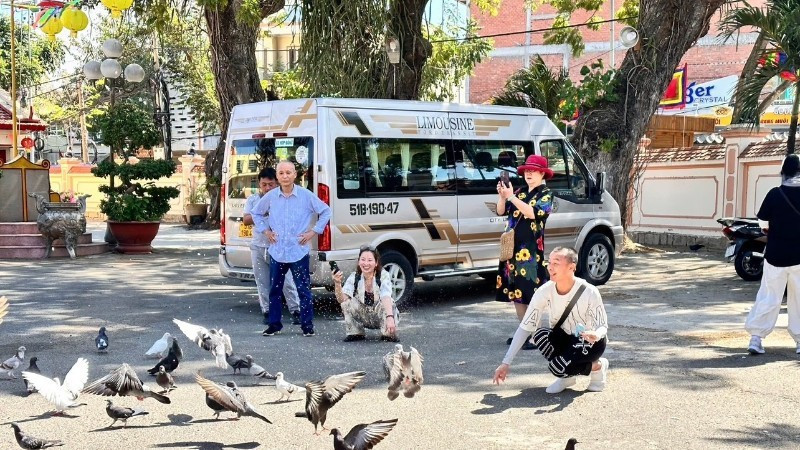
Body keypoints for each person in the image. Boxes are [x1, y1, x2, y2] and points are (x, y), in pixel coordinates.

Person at [493, 247, 609, 394]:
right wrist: (506, 362)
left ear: (571, 267)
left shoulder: (590, 291)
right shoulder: (544, 291)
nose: (550, 267)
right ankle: (567, 375)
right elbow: (525, 326)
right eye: (549, 262)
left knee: (557, 367)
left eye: (556, 263)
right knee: (539, 334)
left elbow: (602, 325)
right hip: (564, 338)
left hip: (589, 342)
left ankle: (597, 366)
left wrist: (597, 334)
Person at [252, 161, 332, 337]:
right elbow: (255, 213)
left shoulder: (305, 195)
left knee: (303, 289)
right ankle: (274, 325)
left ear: (295, 174)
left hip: (298, 250)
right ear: (278, 176)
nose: (285, 176)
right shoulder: (271, 196)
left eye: (288, 172)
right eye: (281, 173)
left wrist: (313, 232)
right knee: (275, 290)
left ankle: (307, 326)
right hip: (278, 251)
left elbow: (325, 211)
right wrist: (265, 230)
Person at [495, 154, 554, 350]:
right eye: (527, 170)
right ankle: (524, 333)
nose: (528, 173)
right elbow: (501, 211)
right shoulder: (519, 192)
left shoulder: (546, 194)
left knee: (531, 296)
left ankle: (536, 336)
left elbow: (532, 213)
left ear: (542, 173)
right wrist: (503, 196)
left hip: (530, 253)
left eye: (533, 170)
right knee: (517, 294)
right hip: (512, 252)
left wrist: (511, 196)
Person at [745, 154, 800, 355]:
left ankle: (756, 338)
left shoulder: (775, 194)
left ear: (783, 172)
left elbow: (763, 225)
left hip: (776, 255)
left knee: (769, 297)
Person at [243, 167, 301, 325]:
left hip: (280, 247)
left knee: (286, 281)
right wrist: (262, 213)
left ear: (276, 184)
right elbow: (246, 219)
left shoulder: (284, 199)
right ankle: (267, 311)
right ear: (259, 185)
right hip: (258, 246)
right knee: (262, 280)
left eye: (270, 184)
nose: (267, 188)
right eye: (264, 185)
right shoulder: (254, 200)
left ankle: (296, 310)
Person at [332, 246, 399, 342]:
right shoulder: (354, 276)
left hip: (380, 316)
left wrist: (390, 317)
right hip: (364, 316)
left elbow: (386, 296)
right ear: (359, 262)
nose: (366, 263)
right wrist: (337, 283)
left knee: (389, 302)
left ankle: (388, 333)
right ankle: (355, 332)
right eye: (363, 260)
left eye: (370, 260)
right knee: (346, 302)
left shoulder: (383, 275)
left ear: (376, 263)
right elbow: (341, 299)